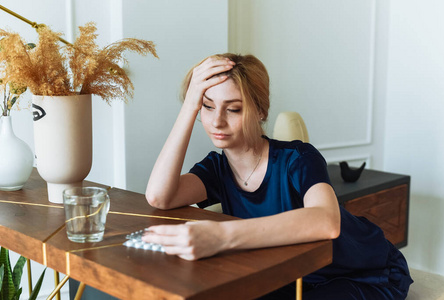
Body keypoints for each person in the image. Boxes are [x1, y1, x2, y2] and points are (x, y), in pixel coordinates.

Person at [144, 53, 413, 299]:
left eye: (234, 108)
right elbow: (159, 196)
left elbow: (327, 221)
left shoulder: (298, 158)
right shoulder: (216, 169)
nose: (216, 121)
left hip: (364, 273)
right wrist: (189, 106)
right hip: (291, 277)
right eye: (207, 106)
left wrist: (221, 236)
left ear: (261, 111)